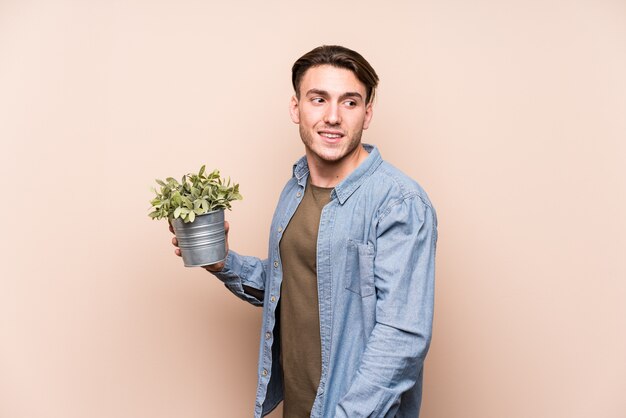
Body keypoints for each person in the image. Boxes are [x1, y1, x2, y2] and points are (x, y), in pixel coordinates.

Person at [170, 45, 438, 418]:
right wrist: (222, 263)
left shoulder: (399, 202)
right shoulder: (296, 187)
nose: (333, 117)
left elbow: (403, 336)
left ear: (368, 112)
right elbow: (294, 285)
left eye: (349, 102)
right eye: (318, 99)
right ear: (296, 108)